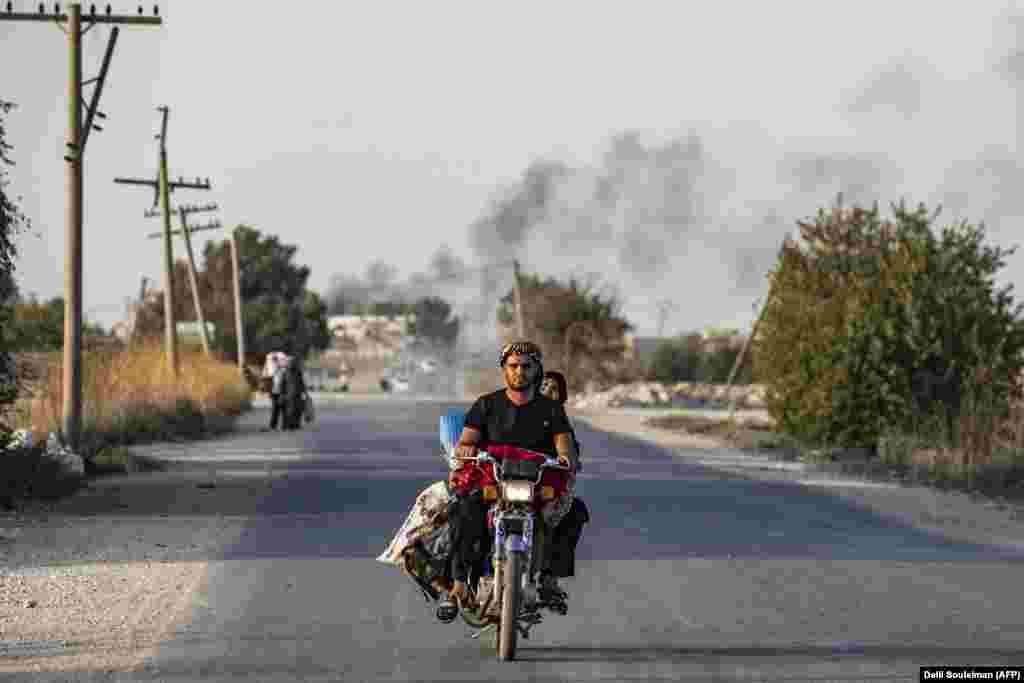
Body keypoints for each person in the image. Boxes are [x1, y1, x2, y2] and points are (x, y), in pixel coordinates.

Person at [440, 341, 577, 622]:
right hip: (494, 481)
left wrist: (565, 458)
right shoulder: (486, 405)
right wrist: (466, 449)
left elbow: (565, 449)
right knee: (463, 512)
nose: (519, 372)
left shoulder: (551, 410)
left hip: (535, 483)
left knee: (573, 513)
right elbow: (467, 441)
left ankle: (548, 581)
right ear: (504, 369)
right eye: (513, 366)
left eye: (526, 366)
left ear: (536, 369)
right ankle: (457, 585)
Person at [537, 370, 590, 589]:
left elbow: (572, 453)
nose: (548, 391)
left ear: (561, 396)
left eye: (554, 388)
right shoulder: (514, 411)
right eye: (544, 386)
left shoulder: (562, 424)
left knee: (574, 511)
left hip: (544, 487)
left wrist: (571, 460)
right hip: (509, 481)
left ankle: (550, 577)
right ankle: (464, 579)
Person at [281, 355, 308, 430]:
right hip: (289, 395)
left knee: (298, 410)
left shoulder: (298, 372)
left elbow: (301, 383)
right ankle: (288, 425)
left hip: (297, 394)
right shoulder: (285, 372)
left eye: (292, 362)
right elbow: (282, 384)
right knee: (289, 411)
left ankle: (296, 424)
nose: (291, 363)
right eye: (290, 362)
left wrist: (305, 393)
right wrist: (282, 394)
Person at [268, 358, 288, 431]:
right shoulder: (273, 372)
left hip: (281, 393)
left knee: (283, 410)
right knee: (275, 410)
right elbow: (271, 384)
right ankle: (273, 426)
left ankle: (285, 426)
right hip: (275, 394)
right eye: (274, 364)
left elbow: (285, 383)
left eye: (276, 363)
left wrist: (284, 394)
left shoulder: (284, 372)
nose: (275, 365)